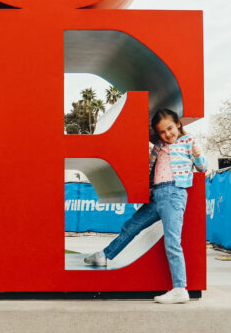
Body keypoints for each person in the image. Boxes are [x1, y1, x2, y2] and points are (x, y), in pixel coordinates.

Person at [84, 108, 206, 303]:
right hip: (156, 195)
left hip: (174, 194)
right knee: (131, 225)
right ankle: (105, 255)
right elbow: (150, 167)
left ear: (178, 124)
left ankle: (180, 288)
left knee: (172, 242)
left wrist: (198, 155)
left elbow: (202, 167)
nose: (168, 134)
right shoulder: (158, 146)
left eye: (170, 128)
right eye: (162, 131)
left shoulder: (188, 141)